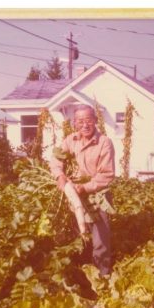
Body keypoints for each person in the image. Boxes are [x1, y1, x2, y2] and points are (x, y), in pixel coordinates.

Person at [49, 104, 116, 276]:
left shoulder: (104, 143)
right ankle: (80, 274)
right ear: (74, 123)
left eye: (88, 120)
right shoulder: (71, 140)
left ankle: (102, 275)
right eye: (80, 121)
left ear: (95, 120)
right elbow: (56, 159)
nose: (85, 125)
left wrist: (85, 187)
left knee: (100, 240)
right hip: (75, 195)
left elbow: (107, 174)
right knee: (78, 235)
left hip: (97, 195)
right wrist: (60, 175)